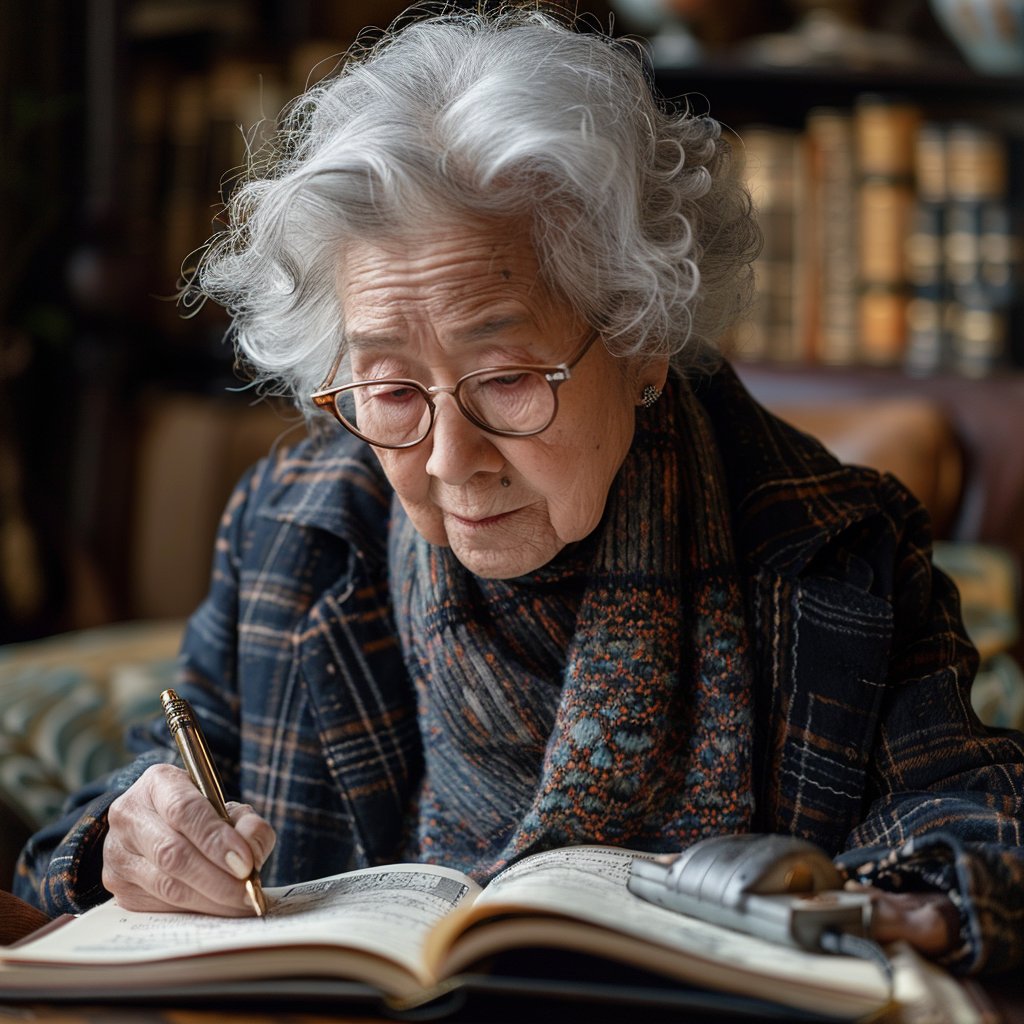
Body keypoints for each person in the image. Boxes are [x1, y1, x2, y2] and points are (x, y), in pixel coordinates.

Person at [15, 3, 1023, 976]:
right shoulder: (292, 525)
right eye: (390, 390)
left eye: (504, 380)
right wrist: (127, 836)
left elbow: (971, 822)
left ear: (641, 340)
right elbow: (134, 795)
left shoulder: (834, 550)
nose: (452, 458)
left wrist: (908, 907)